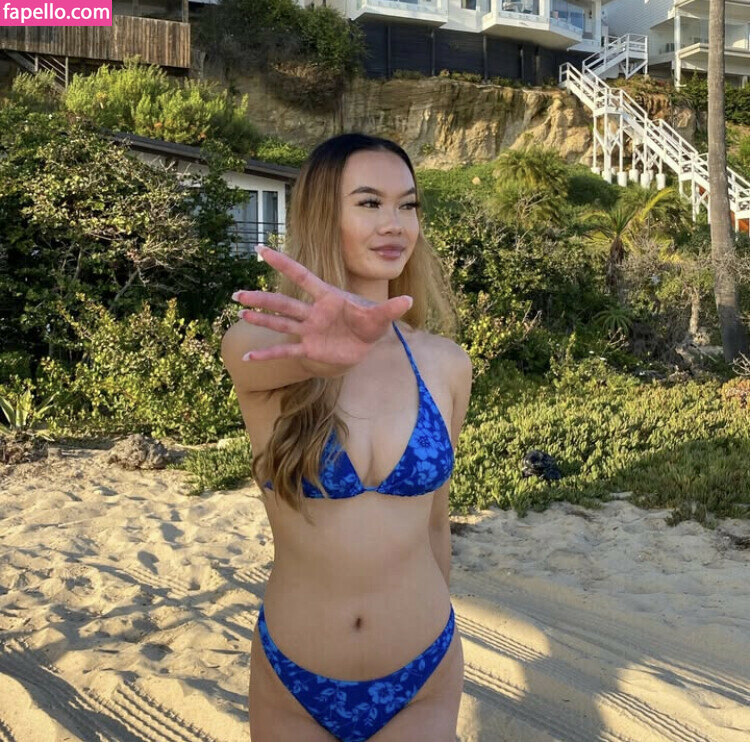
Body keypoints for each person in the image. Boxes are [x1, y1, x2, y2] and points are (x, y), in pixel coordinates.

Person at [220, 132, 473, 741]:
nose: (394, 224)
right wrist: (323, 357)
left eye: (408, 205)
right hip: (296, 683)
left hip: (422, 670)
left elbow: (435, 522)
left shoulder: (446, 363)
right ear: (322, 214)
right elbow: (288, 360)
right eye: (369, 203)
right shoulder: (261, 347)